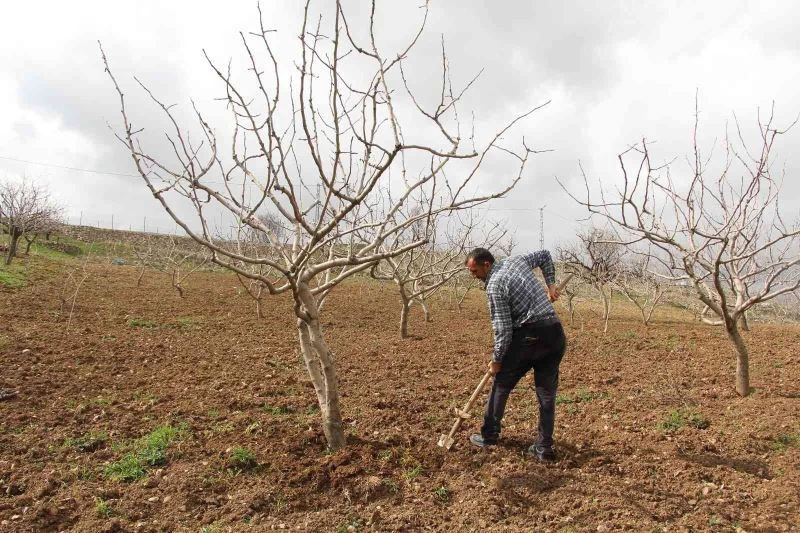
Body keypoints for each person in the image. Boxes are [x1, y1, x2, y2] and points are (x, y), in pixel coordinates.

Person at [464, 247, 567, 461]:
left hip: (530, 337)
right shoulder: (516, 260)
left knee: (501, 384)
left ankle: (489, 435)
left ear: (487, 265)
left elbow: (503, 329)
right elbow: (545, 255)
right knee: (546, 394)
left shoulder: (494, 286)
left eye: (474, 272)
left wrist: (497, 360)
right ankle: (544, 448)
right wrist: (551, 284)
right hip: (554, 333)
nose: (472, 276)